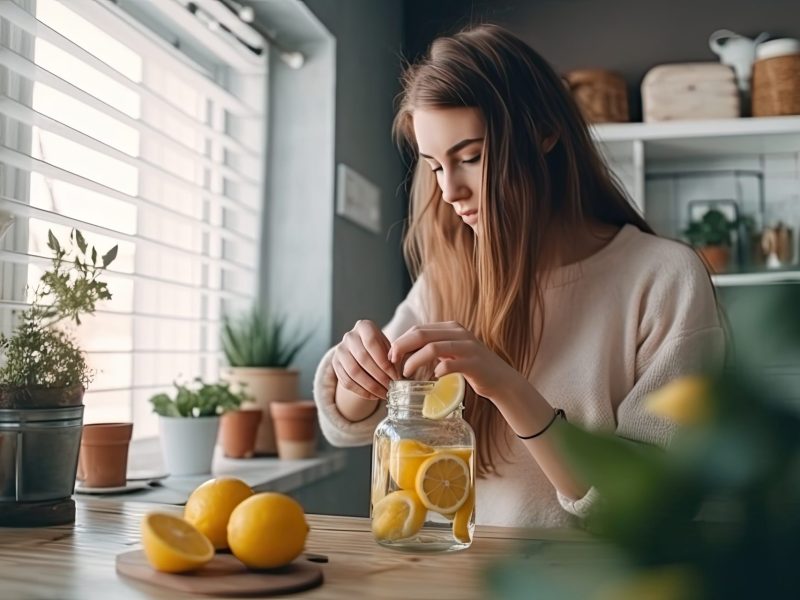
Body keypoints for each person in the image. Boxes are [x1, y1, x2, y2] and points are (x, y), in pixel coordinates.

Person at [313, 24, 725, 528]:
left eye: (471, 158)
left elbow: (650, 505)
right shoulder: (452, 274)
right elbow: (352, 423)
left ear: (545, 132)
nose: (450, 191)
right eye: (435, 167)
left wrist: (508, 387)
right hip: (459, 573)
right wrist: (358, 373)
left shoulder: (664, 279)